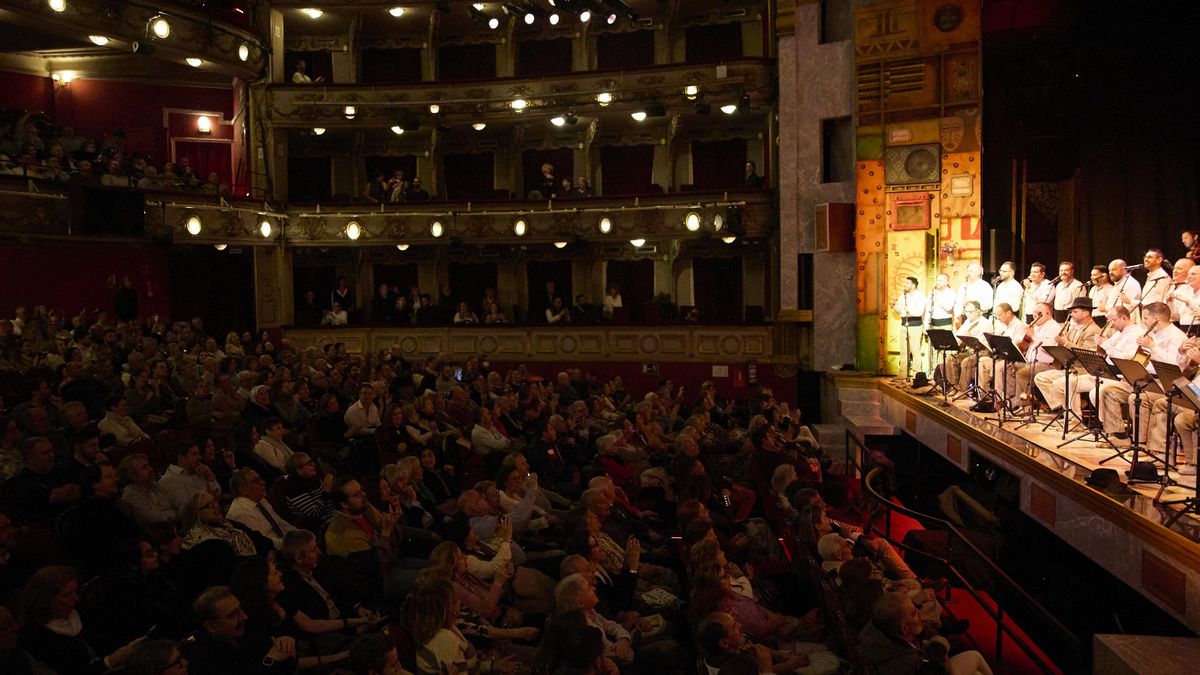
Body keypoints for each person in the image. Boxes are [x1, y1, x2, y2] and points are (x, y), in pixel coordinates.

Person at [226, 468, 297, 550]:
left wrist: (298, 534)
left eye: (260, 479)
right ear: (244, 489)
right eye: (256, 481)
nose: (263, 482)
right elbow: (263, 541)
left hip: (284, 543)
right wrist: (291, 544)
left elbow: (280, 523)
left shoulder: (261, 501)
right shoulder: (240, 513)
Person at [891, 276, 925, 375]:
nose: (905, 285)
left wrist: (909, 310)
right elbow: (900, 310)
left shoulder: (920, 296)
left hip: (915, 325)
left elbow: (919, 312)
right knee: (903, 350)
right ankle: (902, 374)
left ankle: (916, 374)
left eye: (907, 283)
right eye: (905, 283)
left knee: (915, 350)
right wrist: (894, 305)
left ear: (913, 285)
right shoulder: (904, 295)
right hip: (904, 324)